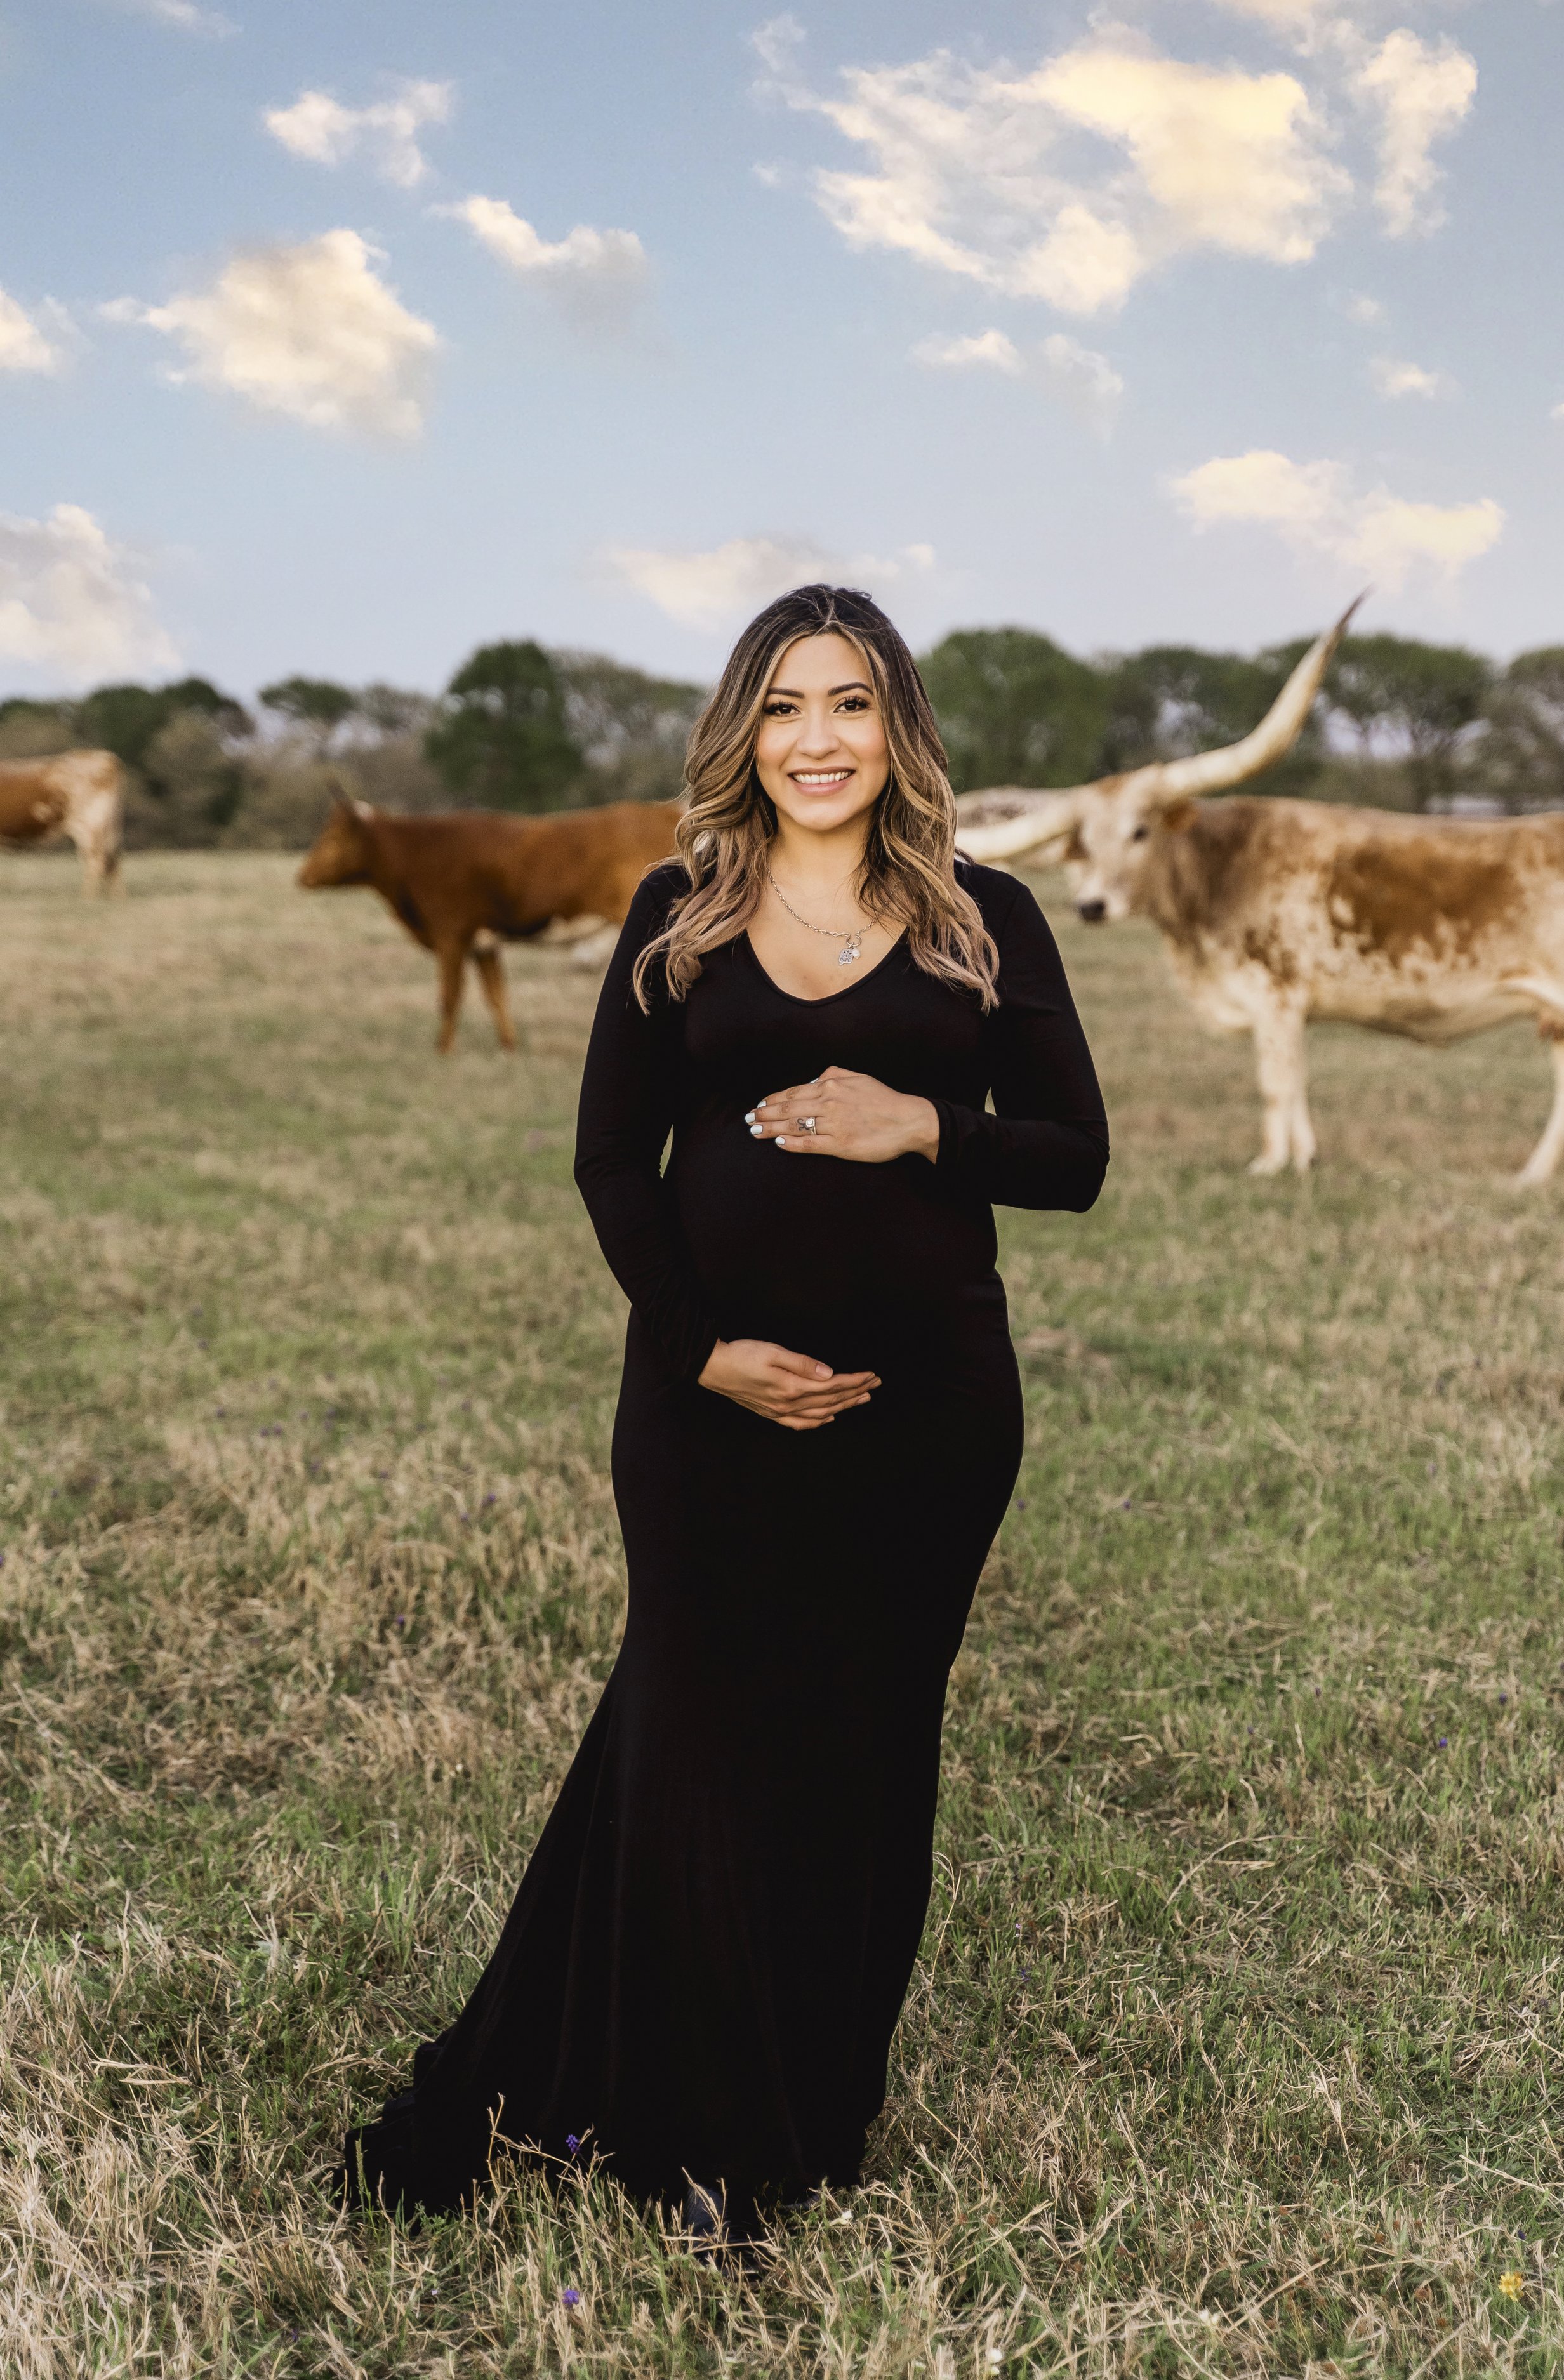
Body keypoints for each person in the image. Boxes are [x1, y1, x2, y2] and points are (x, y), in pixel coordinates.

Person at [338, 583, 1108, 2237]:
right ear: (739, 732)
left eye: (847, 704)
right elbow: (613, 1160)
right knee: (690, 1739)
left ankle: (788, 2130)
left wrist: (925, 1130)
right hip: (703, 1408)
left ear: (896, 726)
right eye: (781, 706)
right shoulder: (674, 910)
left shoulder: (988, 917)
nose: (816, 740)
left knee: (862, 1752)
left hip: (929, 1414)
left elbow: (1074, 1160)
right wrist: (697, 1350)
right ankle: (649, 2104)